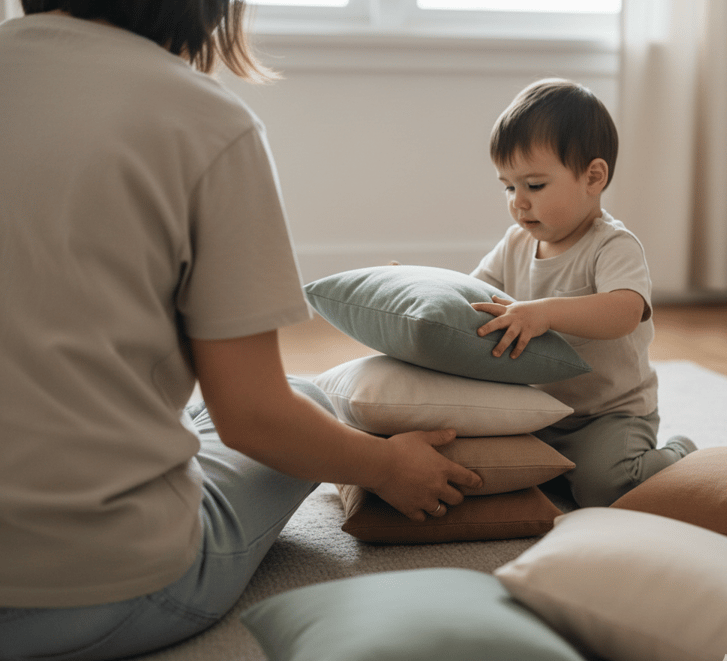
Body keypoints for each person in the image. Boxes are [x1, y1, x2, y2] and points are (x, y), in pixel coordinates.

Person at [0, 2, 482, 658]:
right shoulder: (205, 122)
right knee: (305, 401)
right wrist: (387, 465)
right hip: (99, 590)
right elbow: (254, 417)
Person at [470, 78, 696, 508]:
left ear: (593, 177)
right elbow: (472, 292)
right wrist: (418, 284)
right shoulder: (514, 243)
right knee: (498, 473)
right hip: (537, 410)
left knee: (605, 489)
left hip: (609, 414)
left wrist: (545, 313)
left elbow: (624, 311)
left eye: (534, 185)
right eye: (508, 186)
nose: (518, 202)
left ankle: (679, 453)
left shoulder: (612, 244)